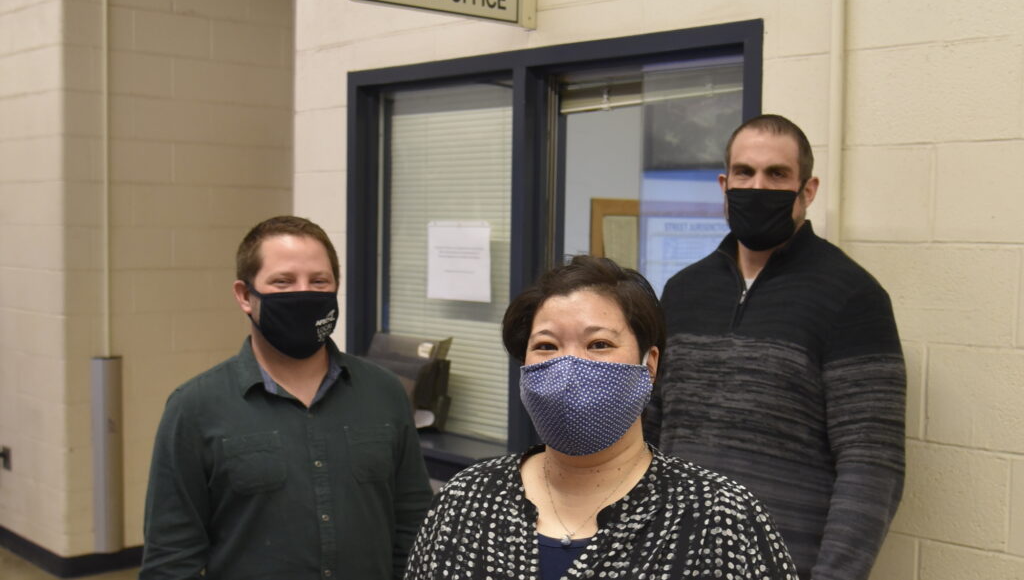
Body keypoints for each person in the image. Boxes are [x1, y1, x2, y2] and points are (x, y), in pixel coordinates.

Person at [405, 255, 798, 580]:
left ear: (650, 364)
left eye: (599, 344)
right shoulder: (465, 502)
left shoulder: (720, 518)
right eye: (546, 345)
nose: (570, 365)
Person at [646, 114, 906, 580]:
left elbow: (872, 464)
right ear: (724, 184)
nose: (758, 186)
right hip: (671, 560)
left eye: (777, 174)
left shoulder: (853, 296)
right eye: (745, 173)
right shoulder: (683, 291)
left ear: (808, 190)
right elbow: (650, 427)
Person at [140, 215, 433, 580]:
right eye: (283, 282)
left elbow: (414, 526)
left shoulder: (385, 392)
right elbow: (171, 558)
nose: (304, 293)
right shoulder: (195, 407)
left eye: (319, 281)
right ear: (245, 296)